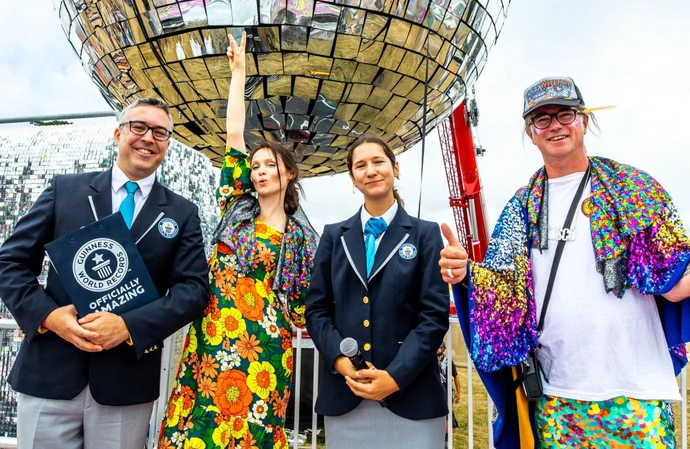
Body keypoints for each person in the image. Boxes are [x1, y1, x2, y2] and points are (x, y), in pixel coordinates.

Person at [439, 76, 690, 449]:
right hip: (557, 396)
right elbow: (499, 286)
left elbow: (674, 284)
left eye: (565, 114)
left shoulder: (634, 190)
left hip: (638, 394)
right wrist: (463, 273)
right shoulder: (522, 207)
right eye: (542, 119)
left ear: (584, 121)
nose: (555, 125)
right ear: (531, 132)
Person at [0, 96, 210, 449]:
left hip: (125, 381)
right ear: (118, 134)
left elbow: (193, 290)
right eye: (138, 127)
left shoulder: (182, 212)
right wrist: (49, 316)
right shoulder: (64, 190)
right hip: (50, 372)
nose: (148, 138)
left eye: (159, 132)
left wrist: (129, 327)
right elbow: (10, 262)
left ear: (167, 145)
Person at [157, 32, 318, 449]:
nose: (260, 171)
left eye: (270, 165)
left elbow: (307, 298)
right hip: (214, 332)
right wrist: (239, 73)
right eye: (257, 165)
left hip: (266, 345)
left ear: (289, 174)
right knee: (202, 420)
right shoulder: (236, 206)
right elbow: (233, 137)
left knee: (253, 426)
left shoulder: (301, 236)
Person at [305, 136, 450, 449]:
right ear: (353, 178)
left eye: (378, 162)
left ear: (395, 168)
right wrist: (341, 362)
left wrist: (394, 377)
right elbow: (317, 310)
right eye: (361, 165)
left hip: (411, 396)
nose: (370, 171)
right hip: (346, 396)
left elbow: (433, 315)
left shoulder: (425, 234)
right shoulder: (334, 236)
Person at [437, 342, 460, 435]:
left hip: (446, 391)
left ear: (443, 349)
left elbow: (456, 377)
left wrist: (458, 392)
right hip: (435, 390)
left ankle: (447, 436)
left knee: (448, 412)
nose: (437, 349)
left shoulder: (448, 361)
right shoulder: (431, 361)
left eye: (439, 347)